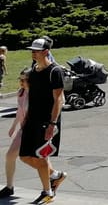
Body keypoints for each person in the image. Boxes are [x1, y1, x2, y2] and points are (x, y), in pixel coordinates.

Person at [20, 38, 66, 204]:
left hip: (47, 121)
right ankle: (55, 175)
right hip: (32, 119)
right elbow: (33, 96)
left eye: (36, 50)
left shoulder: (55, 71)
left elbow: (59, 99)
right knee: (24, 156)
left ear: (46, 51)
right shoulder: (34, 69)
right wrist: (25, 117)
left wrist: (52, 124)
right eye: (32, 50)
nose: (33, 53)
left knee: (41, 158)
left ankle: (48, 192)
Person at [1, 69, 29, 198]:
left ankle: (53, 177)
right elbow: (19, 111)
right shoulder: (21, 93)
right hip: (23, 130)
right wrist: (13, 126)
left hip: (32, 130)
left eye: (24, 80)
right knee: (10, 155)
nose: (21, 82)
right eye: (20, 79)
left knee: (37, 159)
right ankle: (9, 187)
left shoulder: (35, 94)